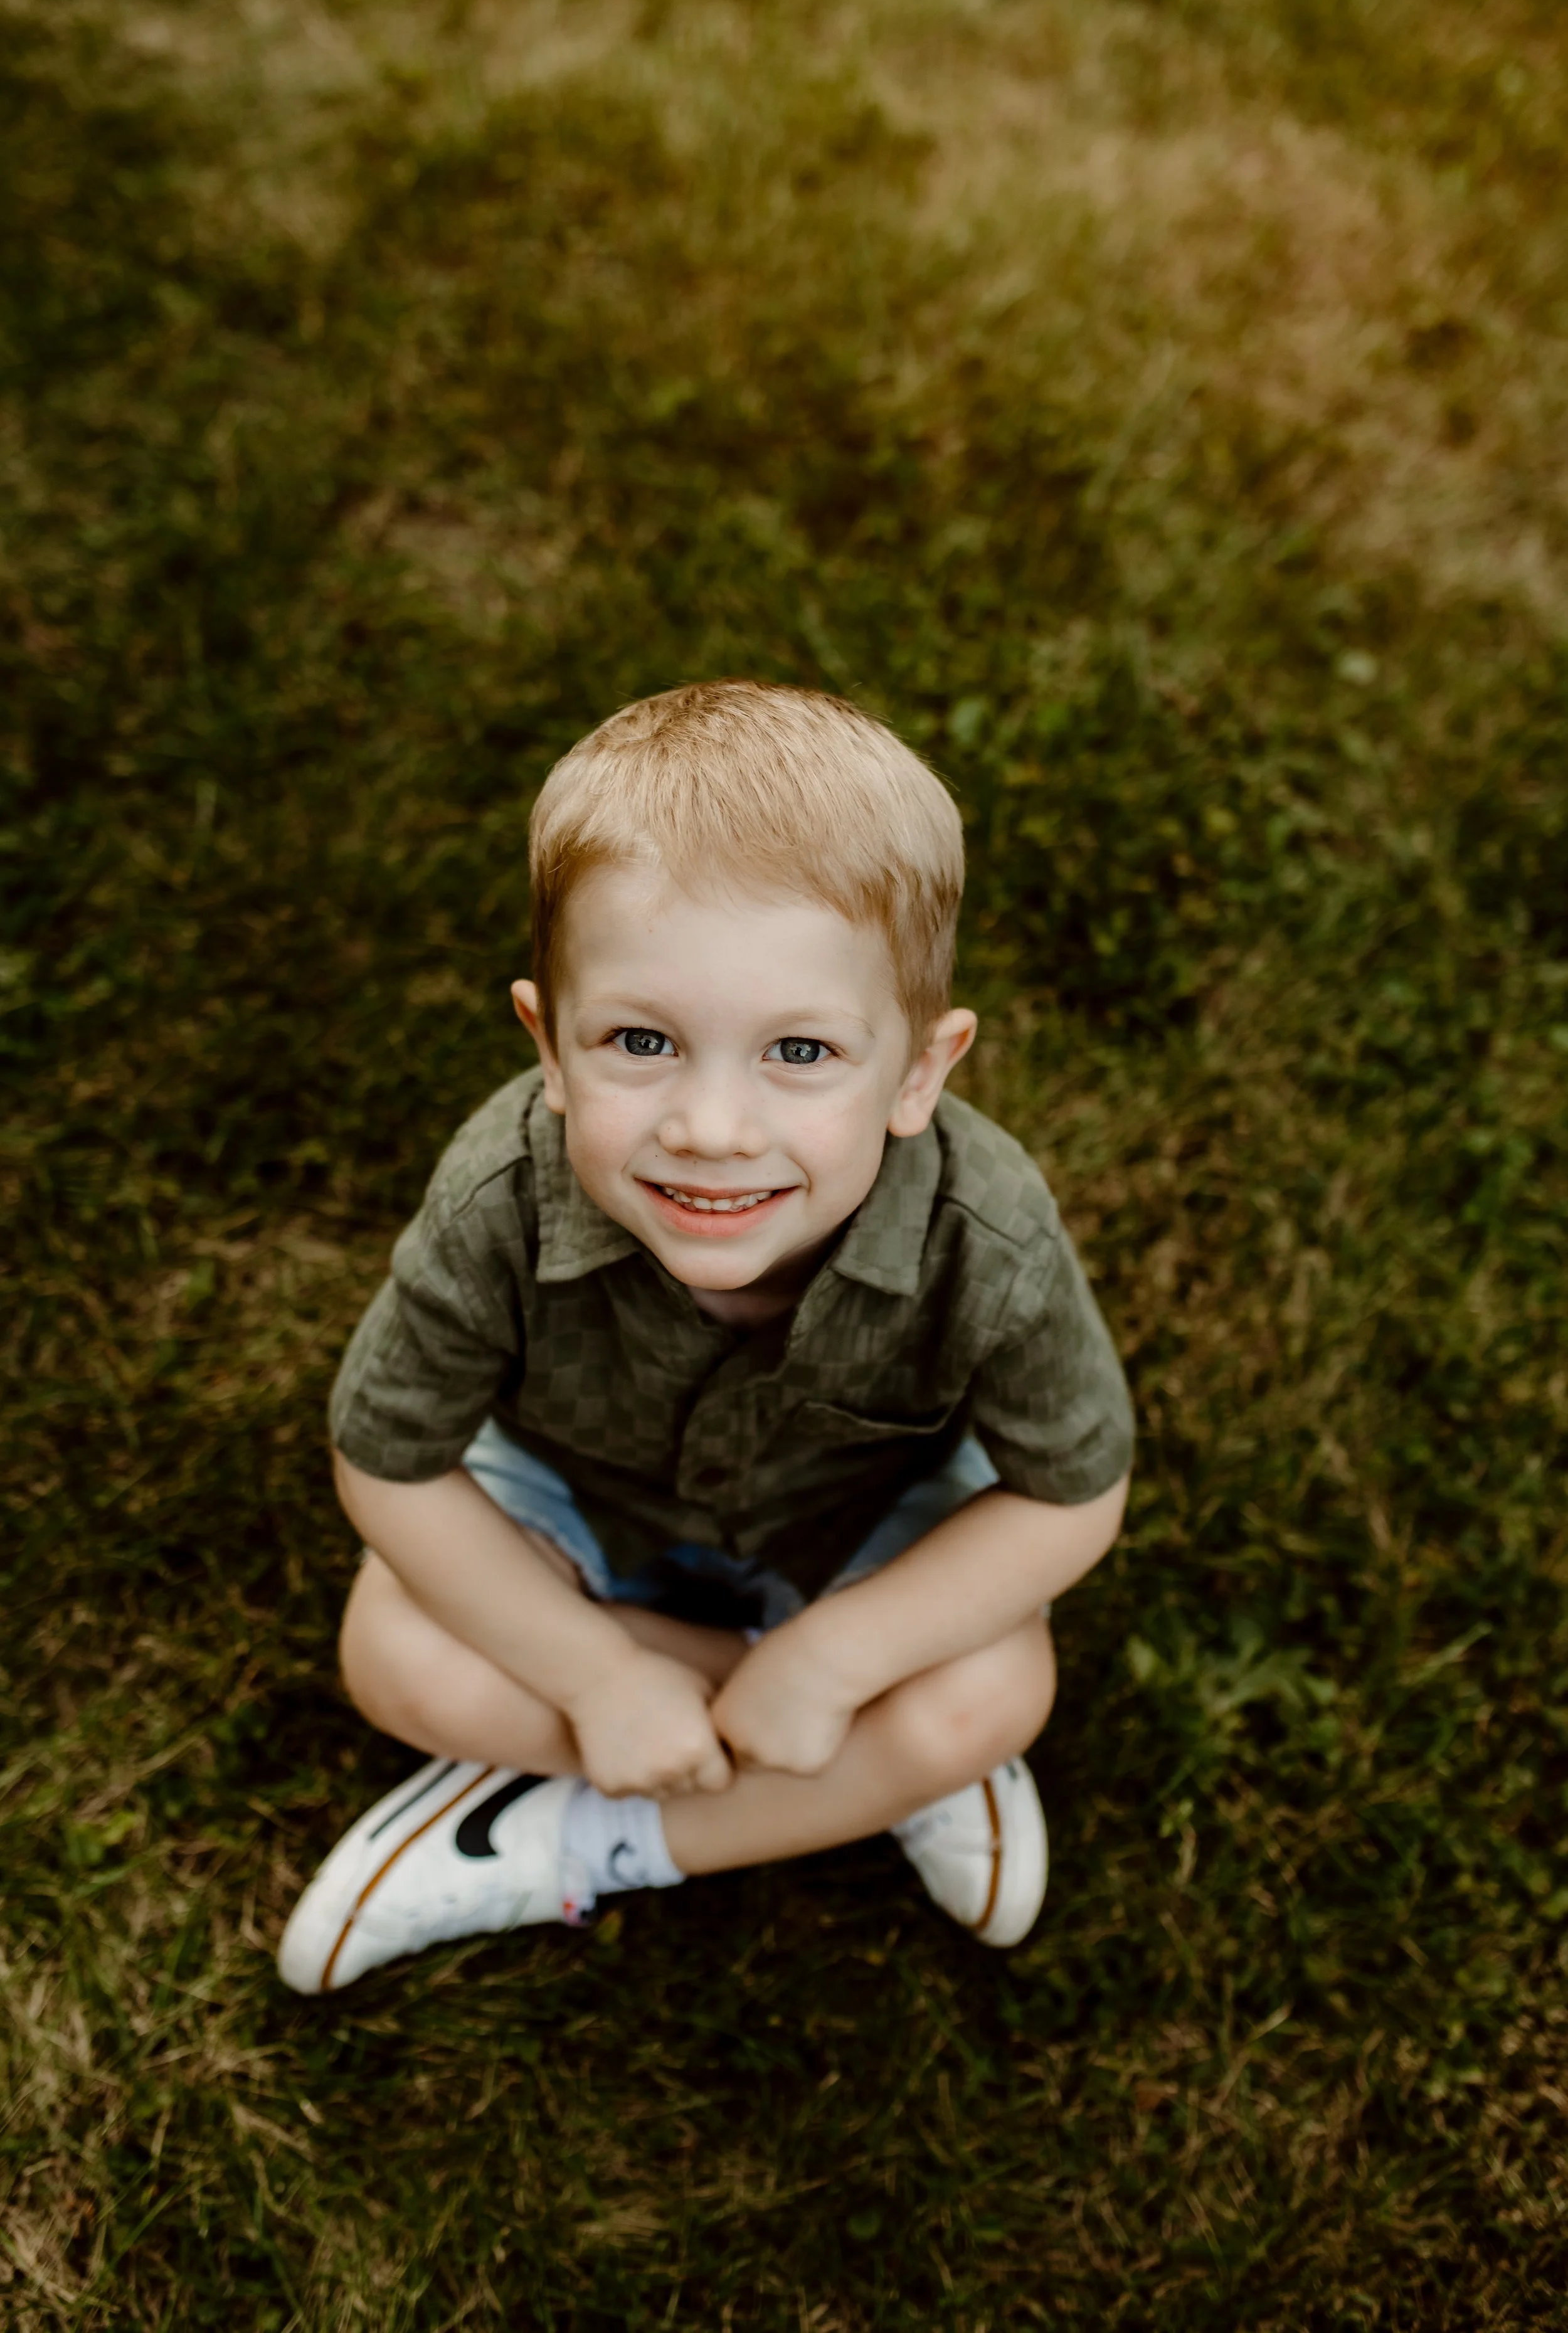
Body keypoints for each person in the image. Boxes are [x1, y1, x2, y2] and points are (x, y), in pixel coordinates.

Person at [278, 680, 1133, 1994]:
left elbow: (1071, 1498)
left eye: (798, 1051)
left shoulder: (987, 1235)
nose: (711, 1127)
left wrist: (837, 1657)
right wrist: (598, 1675)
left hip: (859, 1529)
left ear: (918, 1071)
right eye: (640, 1042)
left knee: (990, 1694)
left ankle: (562, 1840)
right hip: (582, 1505)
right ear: (546, 1047)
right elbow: (390, 1462)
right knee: (393, 1654)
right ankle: (871, 1770)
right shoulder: (499, 1199)